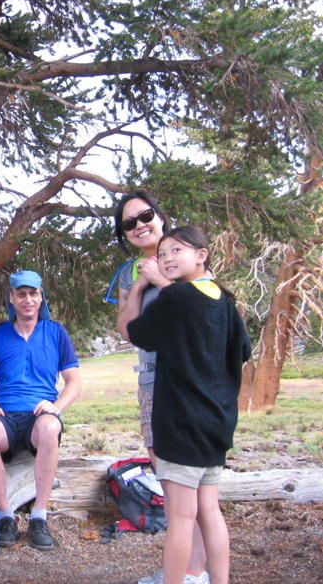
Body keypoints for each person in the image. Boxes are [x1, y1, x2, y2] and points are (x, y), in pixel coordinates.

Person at [126, 226, 252, 584]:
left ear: (202, 254)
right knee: (210, 511)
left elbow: (137, 333)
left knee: (181, 517)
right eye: (162, 254)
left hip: (179, 424)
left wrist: (143, 285)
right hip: (217, 423)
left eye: (176, 250)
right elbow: (243, 351)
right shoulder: (224, 301)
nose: (166, 258)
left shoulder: (175, 298)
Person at [113, 192, 209, 584]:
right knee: (170, 481)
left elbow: (207, 316)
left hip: (190, 383)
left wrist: (162, 277)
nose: (139, 226)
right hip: (151, 382)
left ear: (160, 215)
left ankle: (192, 571)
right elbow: (125, 328)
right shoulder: (125, 273)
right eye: (129, 223)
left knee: (195, 487)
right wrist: (137, 286)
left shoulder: (184, 256)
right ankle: (189, 568)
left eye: (145, 215)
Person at [0, 270, 81, 551]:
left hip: (37, 417)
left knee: (50, 426)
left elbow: (74, 382)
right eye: (21, 294)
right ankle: (6, 516)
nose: (28, 299)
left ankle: (39, 518)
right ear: (12, 298)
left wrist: (55, 407)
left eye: (33, 293)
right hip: (4, 416)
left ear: (41, 297)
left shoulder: (55, 332)